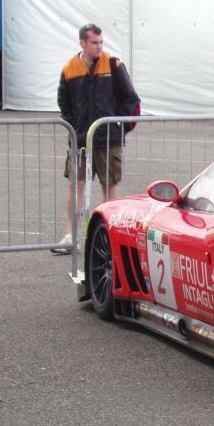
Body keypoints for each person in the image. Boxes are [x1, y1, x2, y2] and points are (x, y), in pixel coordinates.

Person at [54, 23, 139, 254]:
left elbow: (131, 99)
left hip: (108, 138)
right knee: (76, 184)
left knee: (109, 185)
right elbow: (64, 103)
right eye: (94, 42)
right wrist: (75, 127)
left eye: (101, 42)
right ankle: (70, 236)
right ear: (82, 43)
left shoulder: (114, 65)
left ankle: (111, 237)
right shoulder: (69, 69)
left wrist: (120, 126)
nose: (99, 46)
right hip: (80, 140)